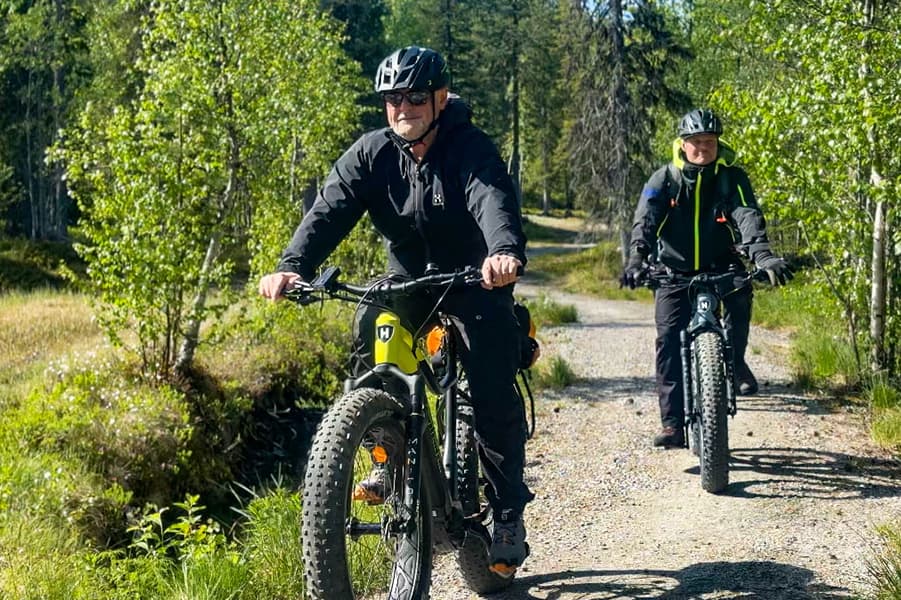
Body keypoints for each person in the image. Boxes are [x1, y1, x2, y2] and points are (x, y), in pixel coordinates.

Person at [258, 46, 533, 576]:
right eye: (392, 99)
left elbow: (492, 200)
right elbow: (329, 210)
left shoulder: (469, 147)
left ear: (440, 98)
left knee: (491, 384)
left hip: (474, 278)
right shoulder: (372, 153)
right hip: (409, 281)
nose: (403, 108)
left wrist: (503, 252)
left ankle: (506, 514)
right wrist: (292, 266)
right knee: (373, 328)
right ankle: (386, 449)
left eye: (414, 97)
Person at [622, 108, 792, 448]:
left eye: (710, 141)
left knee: (740, 303)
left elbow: (748, 216)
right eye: (696, 141)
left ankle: (734, 362)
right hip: (674, 269)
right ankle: (672, 425)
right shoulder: (664, 179)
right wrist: (637, 259)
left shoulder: (731, 178)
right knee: (668, 340)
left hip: (721, 264)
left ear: (718, 144)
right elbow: (646, 220)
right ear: (683, 144)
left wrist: (763, 255)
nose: (703, 148)